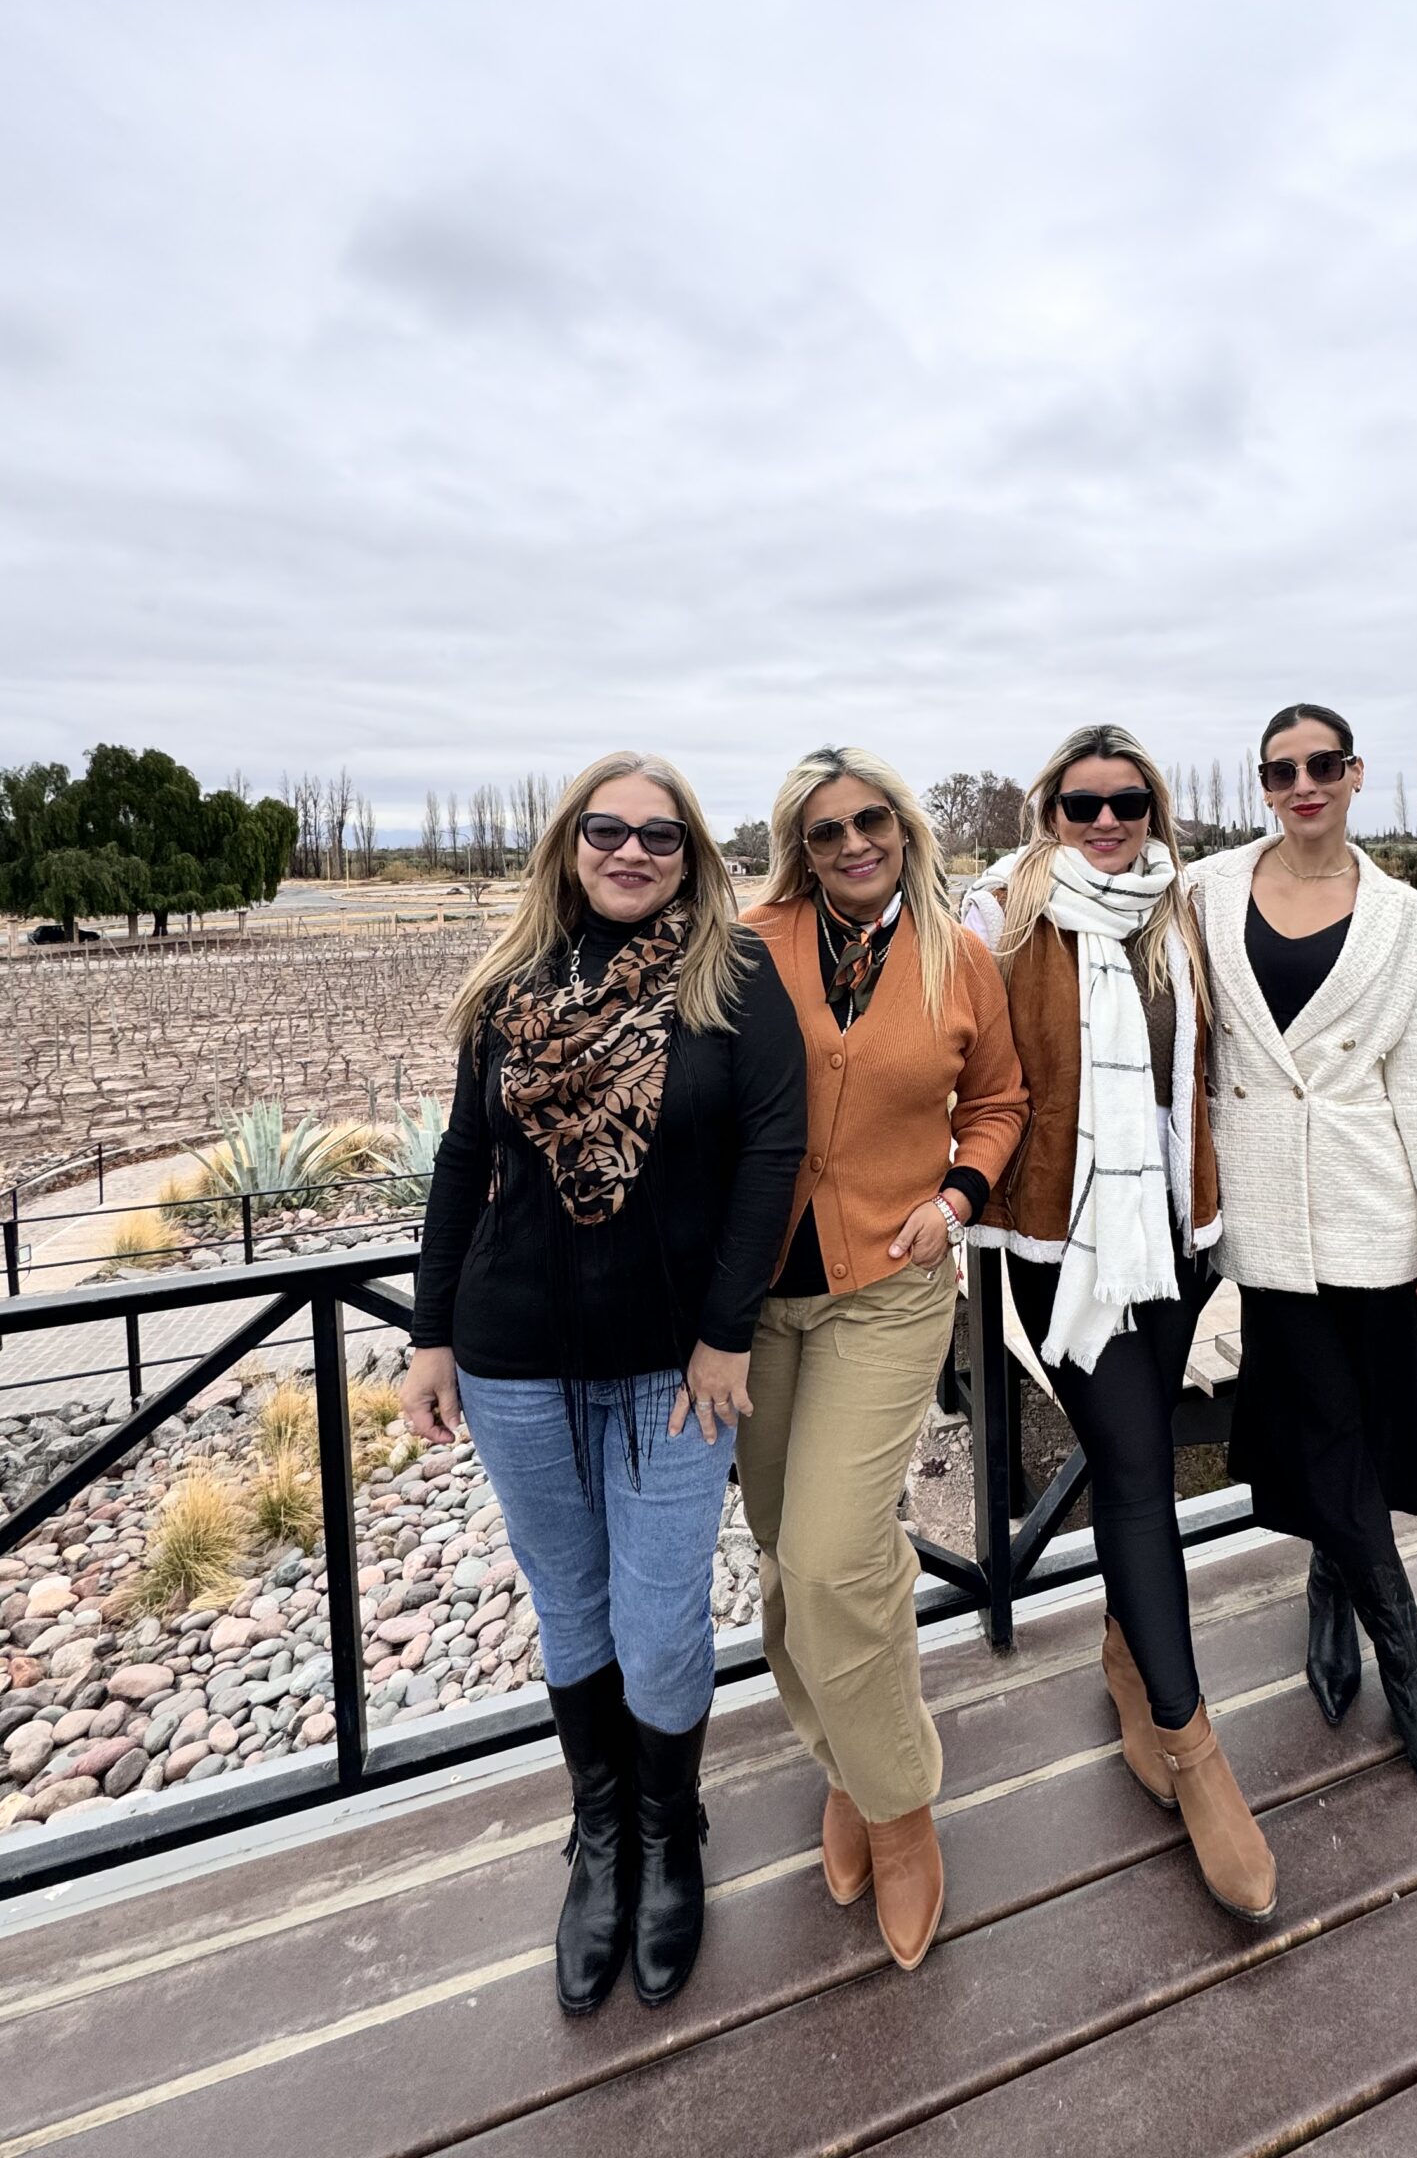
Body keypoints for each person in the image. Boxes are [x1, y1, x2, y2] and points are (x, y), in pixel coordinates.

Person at [402, 752, 807, 2015]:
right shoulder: (510, 986)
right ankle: (600, 1835)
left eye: (661, 836)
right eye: (607, 829)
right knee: (569, 1607)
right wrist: (429, 1336)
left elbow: (771, 1154)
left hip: (672, 1367)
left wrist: (726, 1332)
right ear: (568, 842)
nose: (632, 852)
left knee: (661, 1614)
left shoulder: (732, 978)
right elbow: (465, 1163)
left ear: (694, 855)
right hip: (515, 1352)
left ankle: (670, 1828)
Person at [963, 724, 1275, 1922]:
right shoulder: (1008, 911)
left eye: (1127, 799)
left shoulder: (1177, 909)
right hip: (1065, 1247)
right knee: (1142, 1471)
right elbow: (921, 1004)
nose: (1106, 820)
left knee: (1135, 1459)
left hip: (1179, 1239)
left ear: (1155, 807)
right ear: (1050, 810)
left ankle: (1123, 1657)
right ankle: (1198, 1755)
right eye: (1082, 802)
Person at [740, 744, 1027, 1971]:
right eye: (824, 832)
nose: (852, 844)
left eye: (871, 822)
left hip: (890, 1292)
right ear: (797, 848)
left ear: (903, 828)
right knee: (779, 1551)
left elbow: (1001, 1101)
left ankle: (900, 1806)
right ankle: (843, 1764)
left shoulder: (958, 956)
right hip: (751, 1306)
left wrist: (958, 1200)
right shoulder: (749, 944)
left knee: (836, 1548)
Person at [1186, 703, 1417, 1834]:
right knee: (1320, 1416)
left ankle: (1330, 1586)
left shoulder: (1407, 917)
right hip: (1267, 1211)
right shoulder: (1209, 891)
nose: (1302, 784)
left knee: (1367, 1421)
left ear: (1355, 775)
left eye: (1322, 766)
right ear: (1262, 782)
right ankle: (1416, 1679)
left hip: (1375, 1202)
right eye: (1282, 770)